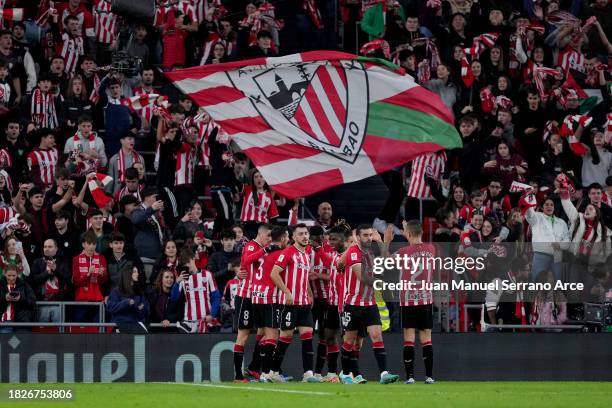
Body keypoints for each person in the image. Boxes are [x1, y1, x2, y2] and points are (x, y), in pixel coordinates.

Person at [339, 224, 399, 384]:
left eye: (370, 235)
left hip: (370, 303)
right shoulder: (353, 252)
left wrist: (383, 242)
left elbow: (388, 262)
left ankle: (384, 374)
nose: (368, 238)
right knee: (349, 341)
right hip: (353, 304)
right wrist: (382, 284)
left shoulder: (371, 252)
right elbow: (362, 277)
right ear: (358, 237)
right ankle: (345, 374)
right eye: (365, 235)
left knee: (376, 336)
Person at [269, 224, 320, 382]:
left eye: (306, 233)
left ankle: (308, 374)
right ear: (294, 237)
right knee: (286, 336)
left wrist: (310, 295)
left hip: (304, 303)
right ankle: (273, 372)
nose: (305, 236)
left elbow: (303, 279)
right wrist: (286, 292)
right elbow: (274, 274)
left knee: (307, 336)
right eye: (301, 234)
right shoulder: (288, 252)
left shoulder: (305, 254)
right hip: (290, 303)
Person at [394, 220, 436, 384]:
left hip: (408, 300)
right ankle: (429, 376)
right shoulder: (431, 249)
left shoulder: (403, 251)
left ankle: (410, 377)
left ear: (408, 234)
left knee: (409, 339)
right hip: (425, 300)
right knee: (426, 339)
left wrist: (385, 242)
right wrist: (407, 230)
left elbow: (385, 261)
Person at [233, 223, 270, 382]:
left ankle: (254, 367)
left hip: (259, 297)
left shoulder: (265, 250)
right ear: (260, 234)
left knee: (264, 332)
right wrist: (264, 250)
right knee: (243, 336)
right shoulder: (251, 246)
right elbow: (246, 260)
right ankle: (238, 376)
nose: (269, 239)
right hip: (246, 297)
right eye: (268, 236)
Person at [252, 226, 289, 383]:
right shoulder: (279, 255)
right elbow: (281, 277)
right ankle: (266, 373)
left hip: (256, 296)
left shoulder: (264, 252)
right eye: (287, 237)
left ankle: (257, 369)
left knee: (265, 336)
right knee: (272, 336)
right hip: (270, 297)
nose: (289, 240)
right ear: (282, 239)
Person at [170, 249, 221, 333]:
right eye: (184, 263)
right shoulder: (182, 278)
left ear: (193, 258)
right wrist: (177, 282)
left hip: (206, 321)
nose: (187, 265)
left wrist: (212, 314)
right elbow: (174, 298)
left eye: (188, 262)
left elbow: (216, 297)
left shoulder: (207, 275)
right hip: (188, 322)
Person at [29, 239, 71, 322]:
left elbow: (67, 278)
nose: (46, 249)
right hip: (42, 302)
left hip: (58, 303)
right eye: (45, 247)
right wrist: (46, 273)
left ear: (56, 248)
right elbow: (33, 280)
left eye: (50, 247)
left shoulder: (63, 261)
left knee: (57, 331)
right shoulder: (37, 262)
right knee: (43, 331)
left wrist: (56, 270)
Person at [106, 266, 149, 333]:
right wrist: (126, 303)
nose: (137, 274)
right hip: (120, 324)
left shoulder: (139, 292)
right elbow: (110, 307)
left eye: (137, 272)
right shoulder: (117, 291)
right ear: (128, 274)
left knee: (141, 342)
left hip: (136, 324)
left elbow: (143, 310)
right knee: (123, 342)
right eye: (134, 272)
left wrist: (140, 308)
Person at [0, 264, 36, 333]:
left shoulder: (24, 285)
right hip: (5, 321)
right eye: (9, 276)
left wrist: (21, 299)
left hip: (22, 322)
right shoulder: (1, 285)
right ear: (4, 274)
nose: (11, 278)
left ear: (17, 274)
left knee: (22, 343)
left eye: (14, 275)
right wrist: (5, 298)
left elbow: (33, 302)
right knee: (7, 343)